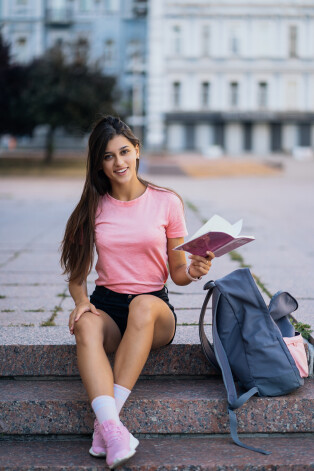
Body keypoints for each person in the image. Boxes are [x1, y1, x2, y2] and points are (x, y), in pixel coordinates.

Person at [60, 115, 214, 469]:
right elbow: (77, 274)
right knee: (85, 325)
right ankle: (112, 430)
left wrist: (193, 270)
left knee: (143, 306)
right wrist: (82, 303)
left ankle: (106, 422)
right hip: (108, 306)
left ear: (137, 151)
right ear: (99, 163)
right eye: (109, 156)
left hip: (154, 309)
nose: (119, 162)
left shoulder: (167, 202)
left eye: (124, 152)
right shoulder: (92, 207)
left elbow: (177, 274)